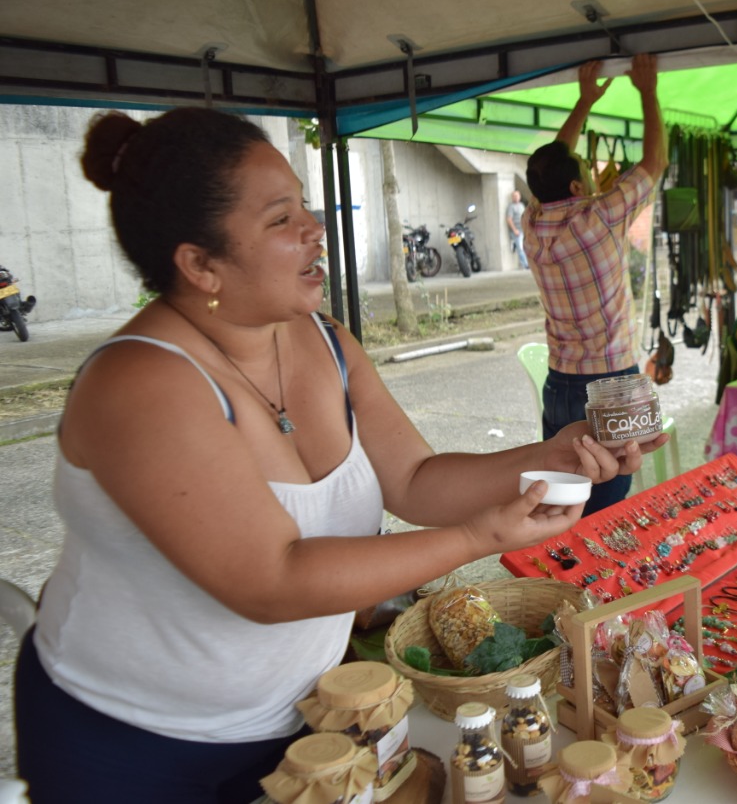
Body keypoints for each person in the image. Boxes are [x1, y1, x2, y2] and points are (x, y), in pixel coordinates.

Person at [13, 107, 663, 802]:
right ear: (199, 263)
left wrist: (556, 452)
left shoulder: (321, 338)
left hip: (312, 716)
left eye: (303, 204)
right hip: (139, 747)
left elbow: (413, 478)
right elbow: (272, 579)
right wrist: (478, 537)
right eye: (279, 218)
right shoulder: (143, 383)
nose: (314, 229)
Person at [523, 55, 667, 515]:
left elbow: (551, 166)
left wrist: (584, 101)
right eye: (583, 173)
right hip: (611, 384)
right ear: (576, 184)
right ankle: (598, 587)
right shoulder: (599, 217)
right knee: (605, 503)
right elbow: (655, 162)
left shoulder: (533, 221)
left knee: (564, 496)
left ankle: (562, 579)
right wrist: (647, 89)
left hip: (560, 384)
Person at [506, 189, 529, 270]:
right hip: (517, 231)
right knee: (520, 248)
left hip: (524, 230)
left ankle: (526, 263)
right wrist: (514, 230)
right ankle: (526, 265)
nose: (515, 197)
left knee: (526, 248)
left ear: (519, 196)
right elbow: (509, 219)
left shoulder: (522, 205)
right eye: (514, 196)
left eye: (517, 195)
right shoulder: (511, 207)